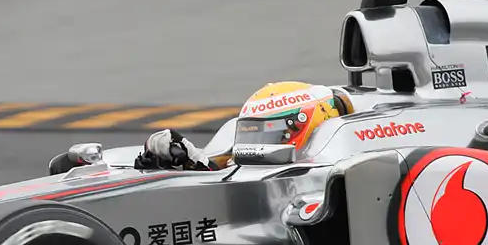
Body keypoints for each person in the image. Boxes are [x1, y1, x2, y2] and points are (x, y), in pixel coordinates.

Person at [134, 81, 354, 171]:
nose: (256, 144)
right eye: (252, 132)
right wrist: (187, 162)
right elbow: (223, 175)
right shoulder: (238, 164)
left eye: (272, 131)